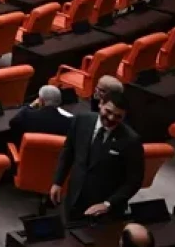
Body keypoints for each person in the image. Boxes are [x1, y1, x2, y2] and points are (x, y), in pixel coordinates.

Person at [50, 89, 144, 219]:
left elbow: (134, 180)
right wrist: (58, 182)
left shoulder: (131, 140)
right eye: (108, 112)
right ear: (101, 104)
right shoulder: (81, 120)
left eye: (118, 116)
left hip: (104, 209)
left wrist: (108, 204)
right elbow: (68, 151)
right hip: (74, 197)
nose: (111, 118)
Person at [9, 85, 73, 139]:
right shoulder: (69, 122)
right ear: (60, 101)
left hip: (30, 150)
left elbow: (13, 123)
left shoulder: (27, 115)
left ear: (41, 101)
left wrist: (29, 106)